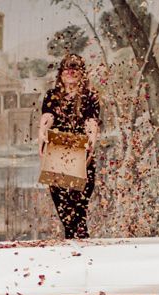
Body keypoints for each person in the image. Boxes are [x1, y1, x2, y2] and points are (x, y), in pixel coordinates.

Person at [39, 54, 100, 239]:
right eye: (66, 68)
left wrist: (91, 140)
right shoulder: (52, 95)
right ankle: (72, 245)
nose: (71, 72)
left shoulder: (90, 97)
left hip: (82, 153)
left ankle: (81, 246)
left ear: (82, 73)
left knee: (79, 206)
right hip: (57, 152)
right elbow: (48, 116)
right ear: (60, 73)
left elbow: (91, 121)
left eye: (75, 68)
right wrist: (41, 133)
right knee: (62, 204)